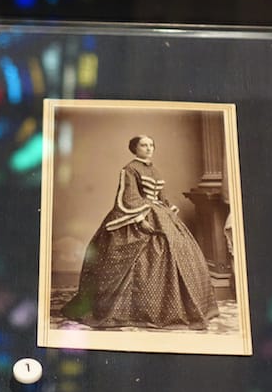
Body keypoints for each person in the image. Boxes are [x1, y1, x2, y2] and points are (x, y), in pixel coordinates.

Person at [61, 136, 218, 329]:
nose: (149, 148)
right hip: (139, 214)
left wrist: (169, 210)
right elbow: (129, 197)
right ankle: (127, 311)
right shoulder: (129, 169)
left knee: (178, 250)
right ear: (134, 149)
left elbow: (162, 197)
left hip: (160, 213)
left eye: (151, 145)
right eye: (144, 145)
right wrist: (140, 219)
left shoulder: (154, 170)